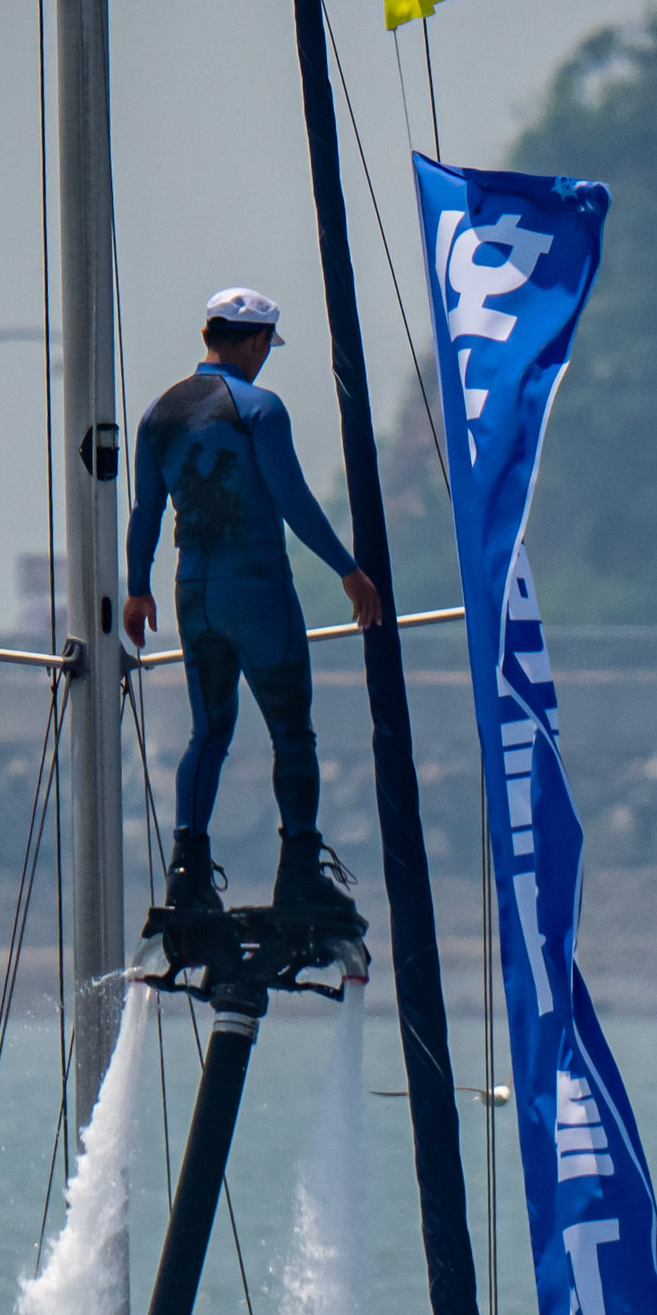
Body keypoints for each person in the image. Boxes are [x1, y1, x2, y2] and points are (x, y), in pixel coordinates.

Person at [123, 287, 381, 926]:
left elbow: (146, 512)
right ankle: (299, 872)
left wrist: (136, 589)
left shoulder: (158, 414)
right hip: (257, 585)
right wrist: (350, 572)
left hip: (192, 593)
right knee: (292, 733)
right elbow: (292, 501)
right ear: (259, 340)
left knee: (208, 733)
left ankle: (187, 876)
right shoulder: (259, 408)